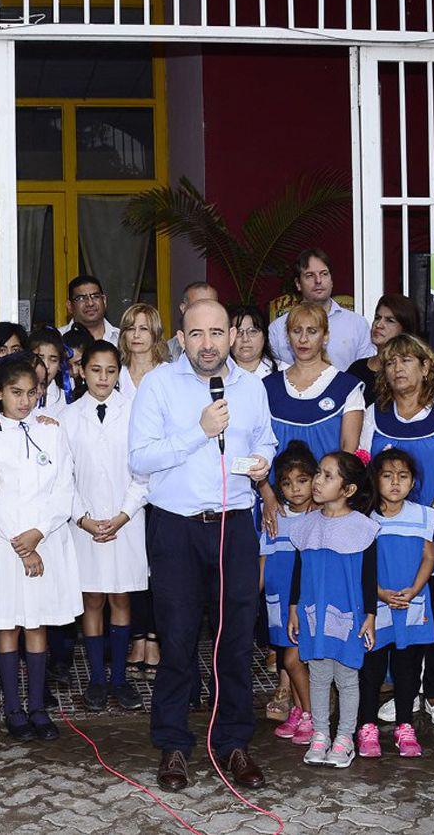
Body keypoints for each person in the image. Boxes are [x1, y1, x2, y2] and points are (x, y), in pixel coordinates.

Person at [128, 299, 276, 792]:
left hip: (233, 526)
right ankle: (172, 744)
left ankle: (233, 742)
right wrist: (199, 432)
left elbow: (267, 440)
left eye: (217, 333)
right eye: (197, 334)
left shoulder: (251, 387)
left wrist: (261, 462)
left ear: (232, 335)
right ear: (181, 337)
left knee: (233, 641)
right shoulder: (159, 385)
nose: (208, 344)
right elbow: (140, 458)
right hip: (175, 528)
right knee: (176, 639)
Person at [361, 334, 434, 728]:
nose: (398, 369)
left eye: (407, 361)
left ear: (426, 367)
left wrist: (430, 512)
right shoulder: (376, 412)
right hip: (389, 538)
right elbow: (364, 467)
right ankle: (403, 692)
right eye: (391, 363)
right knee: (393, 611)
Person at [0, 354, 82, 742]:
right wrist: (20, 542)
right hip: (5, 546)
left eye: (31, 393)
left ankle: (37, 707)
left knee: (37, 622)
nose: (23, 401)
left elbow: (64, 486)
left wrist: (38, 533)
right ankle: (13, 709)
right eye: (15, 393)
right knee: (8, 623)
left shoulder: (53, 431)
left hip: (46, 541)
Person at [61, 341, 149, 712]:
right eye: (95, 370)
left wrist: (122, 515)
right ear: (82, 371)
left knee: (121, 597)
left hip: (125, 522)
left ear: (119, 373)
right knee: (92, 598)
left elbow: (143, 472)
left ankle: (119, 679)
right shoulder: (66, 417)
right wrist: (83, 518)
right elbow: (63, 476)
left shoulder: (134, 412)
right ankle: (97, 679)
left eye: (111, 371)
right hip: (84, 524)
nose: (103, 378)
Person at [285, 451, 379, 769]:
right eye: (319, 474)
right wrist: (294, 608)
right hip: (314, 612)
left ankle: (344, 738)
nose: (318, 481)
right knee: (320, 675)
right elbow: (299, 571)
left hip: (349, 615)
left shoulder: (363, 527)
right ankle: (321, 735)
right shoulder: (306, 525)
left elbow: (369, 576)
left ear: (348, 489)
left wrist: (370, 615)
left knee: (348, 677)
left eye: (328, 476)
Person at [361, 448, 434, 758]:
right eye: (387, 476)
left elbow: (428, 557)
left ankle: (405, 726)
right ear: (375, 480)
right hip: (375, 605)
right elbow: (359, 564)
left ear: (412, 481)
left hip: (412, 603)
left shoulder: (423, 515)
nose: (395, 483)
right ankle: (367, 727)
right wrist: (379, 593)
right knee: (371, 670)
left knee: (408, 670)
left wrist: (415, 590)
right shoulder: (364, 517)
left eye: (403, 477)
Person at [261, 302, 364, 502]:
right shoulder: (266, 386)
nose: (303, 339)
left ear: (325, 337)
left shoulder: (347, 387)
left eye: (312, 331)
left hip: (327, 507)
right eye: (296, 331)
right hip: (276, 506)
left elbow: (348, 453)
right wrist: (267, 495)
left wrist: (326, 499)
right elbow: (255, 445)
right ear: (287, 337)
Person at [263, 441, 319, 745]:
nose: (295, 489)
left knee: (295, 660)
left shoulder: (322, 516)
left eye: (302, 480)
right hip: (279, 601)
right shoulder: (274, 517)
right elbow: (263, 559)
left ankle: (311, 716)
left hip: (307, 603)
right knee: (288, 659)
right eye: (286, 483)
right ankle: (299, 710)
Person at [268, 249, 376, 371]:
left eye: (324, 274)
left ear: (331, 280)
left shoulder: (357, 324)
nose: (318, 281)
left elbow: (366, 374)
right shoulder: (278, 328)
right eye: (310, 275)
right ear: (298, 284)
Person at [346, 295, 421, 399]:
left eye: (389, 320)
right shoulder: (357, 369)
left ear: (405, 329)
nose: (379, 325)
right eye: (377, 318)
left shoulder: (414, 370)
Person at [117, 303, 171, 401]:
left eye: (143, 329)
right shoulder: (116, 373)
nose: (136, 335)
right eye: (131, 328)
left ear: (155, 333)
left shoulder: (169, 373)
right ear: (124, 335)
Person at [59, 275, 120, 343]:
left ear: (104, 301)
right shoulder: (58, 339)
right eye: (81, 298)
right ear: (70, 306)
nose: (90, 303)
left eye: (95, 296)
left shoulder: (122, 339)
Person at [166, 281, 219, 359]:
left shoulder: (228, 345)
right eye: (197, 306)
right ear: (183, 308)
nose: (205, 312)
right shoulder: (168, 350)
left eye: (211, 306)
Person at [229, 304, 279, 378]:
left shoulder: (285, 372)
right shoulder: (216, 373)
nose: (245, 339)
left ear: (265, 335)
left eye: (252, 331)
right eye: (238, 332)